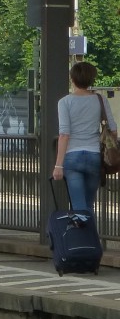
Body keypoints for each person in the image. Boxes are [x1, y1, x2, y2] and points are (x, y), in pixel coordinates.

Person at [53, 61, 117, 213]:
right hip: (94, 156)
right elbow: (113, 130)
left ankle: (78, 236)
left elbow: (64, 135)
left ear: (72, 79)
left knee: (78, 207)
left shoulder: (64, 102)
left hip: (72, 158)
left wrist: (58, 165)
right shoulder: (100, 100)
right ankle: (90, 236)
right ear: (91, 80)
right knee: (88, 207)